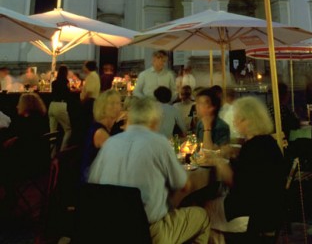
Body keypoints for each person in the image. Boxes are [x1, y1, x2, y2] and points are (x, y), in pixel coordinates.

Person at [88, 96, 210, 244]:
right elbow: (184, 186)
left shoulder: (110, 144)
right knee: (202, 217)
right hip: (148, 233)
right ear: (154, 121)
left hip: (109, 230)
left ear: (129, 120)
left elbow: (93, 184)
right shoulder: (158, 143)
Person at [202, 96, 287, 239]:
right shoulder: (267, 142)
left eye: (239, 119)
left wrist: (218, 161)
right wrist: (234, 152)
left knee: (202, 210)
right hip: (272, 208)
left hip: (254, 213)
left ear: (251, 120)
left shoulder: (253, 148)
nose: (234, 122)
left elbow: (235, 183)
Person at [80, 88, 123, 183]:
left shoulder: (109, 128)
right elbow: (118, 156)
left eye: (118, 103)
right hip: (92, 183)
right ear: (102, 107)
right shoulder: (100, 132)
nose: (116, 107)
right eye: (112, 103)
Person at [48, 64, 72, 151]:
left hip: (52, 105)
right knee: (68, 130)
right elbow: (68, 94)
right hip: (61, 106)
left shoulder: (53, 82)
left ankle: (52, 153)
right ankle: (62, 152)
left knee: (52, 132)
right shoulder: (66, 82)